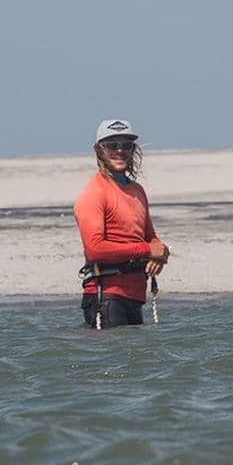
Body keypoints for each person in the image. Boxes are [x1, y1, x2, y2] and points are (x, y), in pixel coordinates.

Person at [73, 119, 170, 328]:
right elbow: (95, 250)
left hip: (135, 295)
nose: (120, 151)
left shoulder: (137, 190)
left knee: (138, 359)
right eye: (111, 145)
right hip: (106, 296)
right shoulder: (93, 193)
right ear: (99, 149)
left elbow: (150, 237)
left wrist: (160, 255)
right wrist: (147, 250)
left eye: (126, 145)